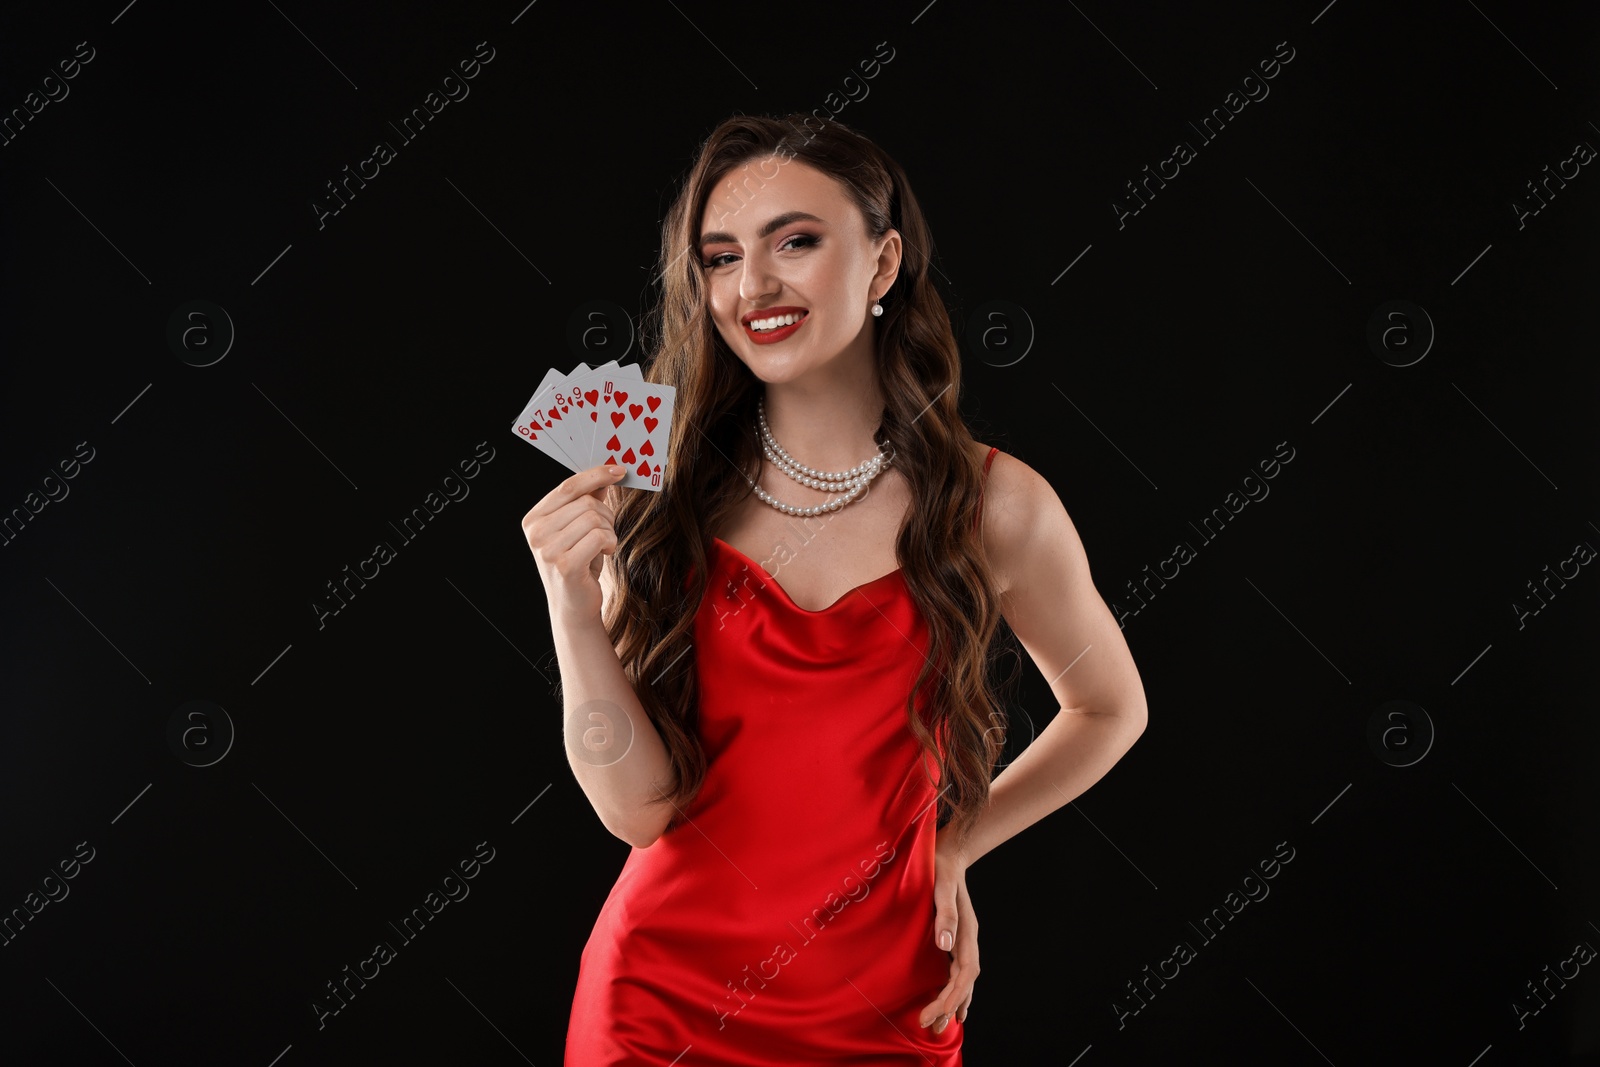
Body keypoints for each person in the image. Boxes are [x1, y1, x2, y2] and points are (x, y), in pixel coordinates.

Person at [522, 112, 1148, 1064]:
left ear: (885, 261)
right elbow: (636, 812)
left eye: (797, 242)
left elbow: (1110, 707)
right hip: (658, 1007)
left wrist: (954, 845)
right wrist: (572, 601)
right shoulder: (657, 488)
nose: (754, 287)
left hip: (885, 1011)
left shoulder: (995, 505)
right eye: (722, 257)